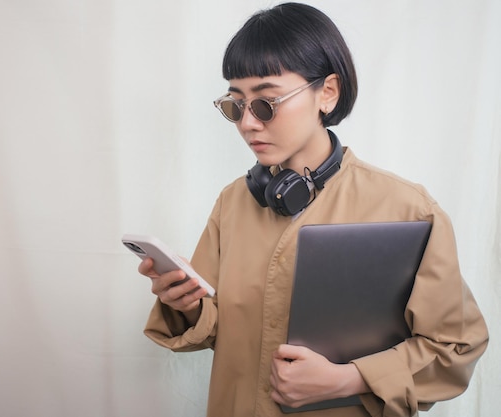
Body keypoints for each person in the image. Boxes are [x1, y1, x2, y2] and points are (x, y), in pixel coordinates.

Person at [137, 3, 489, 416]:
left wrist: (351, 378)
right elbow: (218, 330)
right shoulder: (233, 202)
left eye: (266, 103)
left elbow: (456, 346)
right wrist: (188, 303)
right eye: (235, 105)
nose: (248, 123)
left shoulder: (409, 209)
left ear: (328, 92)